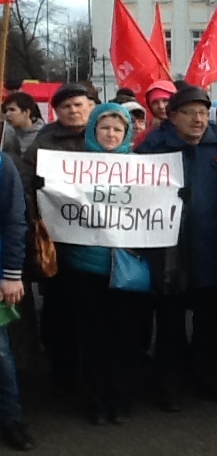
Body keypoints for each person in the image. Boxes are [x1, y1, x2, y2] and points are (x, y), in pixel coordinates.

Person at [136, 86, 217, 411]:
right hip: (169, 253)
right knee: (170, 325)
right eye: (190, 112)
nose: (198, 119)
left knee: (211, 324)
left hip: (212, 250)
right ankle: (168, 385)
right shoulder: (152, 148)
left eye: (203, 112)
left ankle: (208, 379)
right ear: (172, 116)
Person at [61, 104, 143, 424]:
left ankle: (121, 400)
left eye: (117, 129)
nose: (110, 134)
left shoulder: (141, 168)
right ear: (93, 130)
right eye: (104, 128)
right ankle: (97, 401)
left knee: (125, 337)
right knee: (92, 339)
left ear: (126, 134)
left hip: (126, 268)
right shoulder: (72, 167)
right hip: (85, 267)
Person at [22, 83, 96, 392]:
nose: (73, 110)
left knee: (94, 315)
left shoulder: (105, 138)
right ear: (57, 112)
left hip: (98, 246)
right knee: (59, 311)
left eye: (79, 104)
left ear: (91, 106)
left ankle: (94, 377)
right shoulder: (43, 145)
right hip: (58, 246)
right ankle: (62, 374)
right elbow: (26, 188)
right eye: (66, 107)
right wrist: (37, 221)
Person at [0, 149, 31, 450]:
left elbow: (13, 220)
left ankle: (11, 419)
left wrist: (11, 273)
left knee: (0, 353)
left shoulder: (1, 163)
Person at [1, 92, 44, 159]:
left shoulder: (43, 133)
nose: (7, 114)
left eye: (12, 110)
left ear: (26, 112)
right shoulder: (6, 132)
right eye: (6, 111)